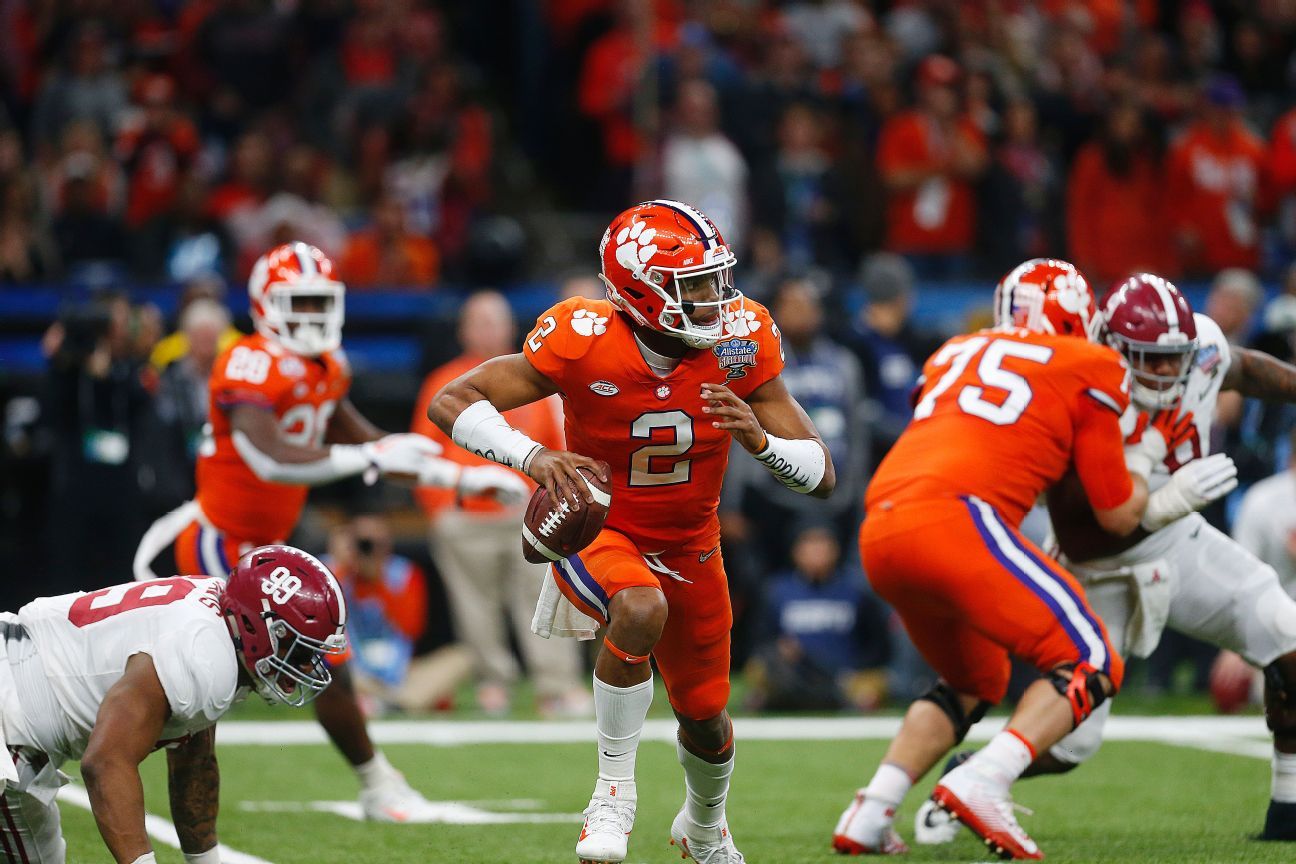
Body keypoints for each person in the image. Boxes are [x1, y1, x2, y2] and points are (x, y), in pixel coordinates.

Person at [428, 199, 836, 864]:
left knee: (707, 718)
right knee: (641, 607)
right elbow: (452, 400)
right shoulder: (584, 335)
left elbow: (821, 475)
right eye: (695, 285)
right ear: (643, 290)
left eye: (716, 279)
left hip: (693, 542)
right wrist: (533, 457)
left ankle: (704, 829)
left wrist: (760, 442)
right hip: (603, 526)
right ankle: (612, 795)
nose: (715, 298)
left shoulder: (740, 340)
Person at [831, 260, 1234, 859]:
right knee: (1091, 657)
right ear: (1081, 319)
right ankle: (984, 779)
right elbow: (1117, 512)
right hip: (957, 520)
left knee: (977, 679)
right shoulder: (1088, 363)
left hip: (883, 526)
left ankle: (872, 809)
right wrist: (1165, 475)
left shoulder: (954, 351)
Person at [132, 241, 522, 822]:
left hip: (269, 550)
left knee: (329, 661)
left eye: (320, 302)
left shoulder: (326, 365)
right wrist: (367, 458)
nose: (312, 316)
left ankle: (377, 783)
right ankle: (100, 759)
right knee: (192, 689)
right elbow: (271, 458)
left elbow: (368, 443)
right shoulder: (249, 361)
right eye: (300, 302)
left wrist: (461, 479)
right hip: (218, 541)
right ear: (267, 306)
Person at [917, 275, 1296, 846]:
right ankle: (972, 773)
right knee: (1072, 746)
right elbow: (1084, 531)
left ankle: (1289, 810)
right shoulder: (1080, 384)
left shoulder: (1204, 350)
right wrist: (1168, 500)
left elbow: (1240, 367)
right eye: (1150, 359)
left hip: (1178, 542)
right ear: (1113, 347)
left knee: (1283, 631)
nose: (1167, 373)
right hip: (1094, 565)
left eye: (1176, 359)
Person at [0, 544, 347, 864]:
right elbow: (106, 761)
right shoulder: (204, 653)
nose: (306, 666)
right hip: (11, 709)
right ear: (259, 627)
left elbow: (194, 758)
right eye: (301, 651)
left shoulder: (221, 629)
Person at [411, 291, 585, 718]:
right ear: (463, 330)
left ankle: (556, 686)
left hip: (528, 515)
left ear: (510, 327)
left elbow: (559, 445)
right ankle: (493, 684)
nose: (488, 330)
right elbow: (421, 452)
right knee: (474, 605)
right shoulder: (443, 383)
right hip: (465, 517)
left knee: (544, 597)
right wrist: (441, 510)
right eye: (480, 321)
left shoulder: (530, 381)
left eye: (495, 321)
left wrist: (556, 505)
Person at [327, 515, 473, 715]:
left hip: (399, 671)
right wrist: (343, 569)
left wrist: (378, 580)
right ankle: (401, 703)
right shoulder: (332, 571)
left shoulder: (403, 573)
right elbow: (321, 618)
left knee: (463, 657)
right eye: (363, 543)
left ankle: (387, 702)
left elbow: (411, 628)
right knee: (330, 666)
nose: (369, 549)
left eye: (376, 543)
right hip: (353, 667)